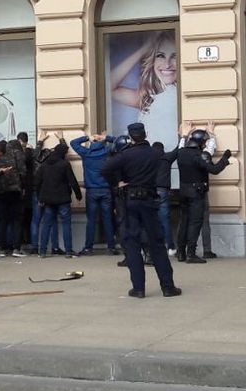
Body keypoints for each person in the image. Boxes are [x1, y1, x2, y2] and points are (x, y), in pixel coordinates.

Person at [103, 122, 181, 299]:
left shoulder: (125, 155)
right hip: (149, 201)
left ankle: (138, 289)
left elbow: (106, 169)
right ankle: (168, 287)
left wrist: (117, 183)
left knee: (132, 244)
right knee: (157, 245)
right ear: (146, 134)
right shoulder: (155, 153)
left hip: (130, 202)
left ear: (131, 137)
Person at [110, 31, 179, 148]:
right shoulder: (148, 97)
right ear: (152, 61)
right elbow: (110, 86)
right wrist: (144, 50)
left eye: (174, 56)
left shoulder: (183, 94)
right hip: (152, 157)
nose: (167, 64)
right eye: (160, 55)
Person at [175, 127, 231, 263]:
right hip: (196, 193)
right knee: (195, 222)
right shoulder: (199, 155)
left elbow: (182, 146)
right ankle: (191, 254)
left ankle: (181, 252)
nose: (205, 145)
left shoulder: (181, 152)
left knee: (184, 221)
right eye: (204, 142)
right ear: (200, 142)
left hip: (183, 192)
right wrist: (224, 159)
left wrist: (183, 135)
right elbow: (214, 170)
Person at [34, 137, 82, 257]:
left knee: (47, 225)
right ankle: (68, 251)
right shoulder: (64, 164)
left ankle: (43, 251)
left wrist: (39, 197)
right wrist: (78, 196)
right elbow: (72, 181)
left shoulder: (44, 164)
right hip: (63, 199)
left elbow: (37, 182)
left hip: (48, 200)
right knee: (66, 225)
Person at [71, 132, 118, 255]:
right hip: (106, 190)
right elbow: (119, 142)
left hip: (92, 190)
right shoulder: (107, 152)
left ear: (92, 143)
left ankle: (88, 247)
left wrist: (88, 137)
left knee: (91, 220)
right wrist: (106, 137)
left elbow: (73, 143)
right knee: (107, 219)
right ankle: (111, 247)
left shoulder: (86, 153)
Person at [0, 140, 23, 257]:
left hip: (1, 192)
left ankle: (3, 249)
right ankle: (16, 248)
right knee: (17, 220)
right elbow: (22, 172)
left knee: (3, 220)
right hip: (14, 191)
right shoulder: (15, 158)